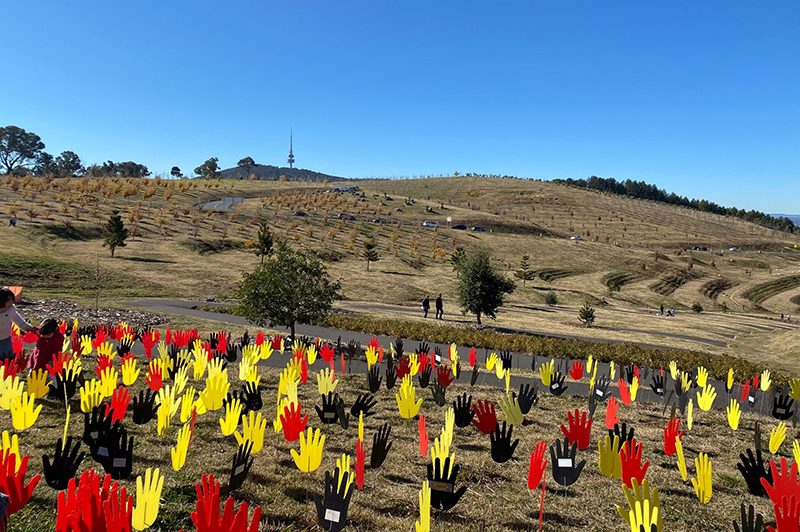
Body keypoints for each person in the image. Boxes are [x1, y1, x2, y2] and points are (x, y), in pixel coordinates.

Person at [0, 288, 34, 361]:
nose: (10, 307)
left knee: (7, 363)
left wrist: (31, 329)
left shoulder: (11, 310)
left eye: (11, 305)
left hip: (6, 340)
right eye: (8, 305)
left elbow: (20, 322)